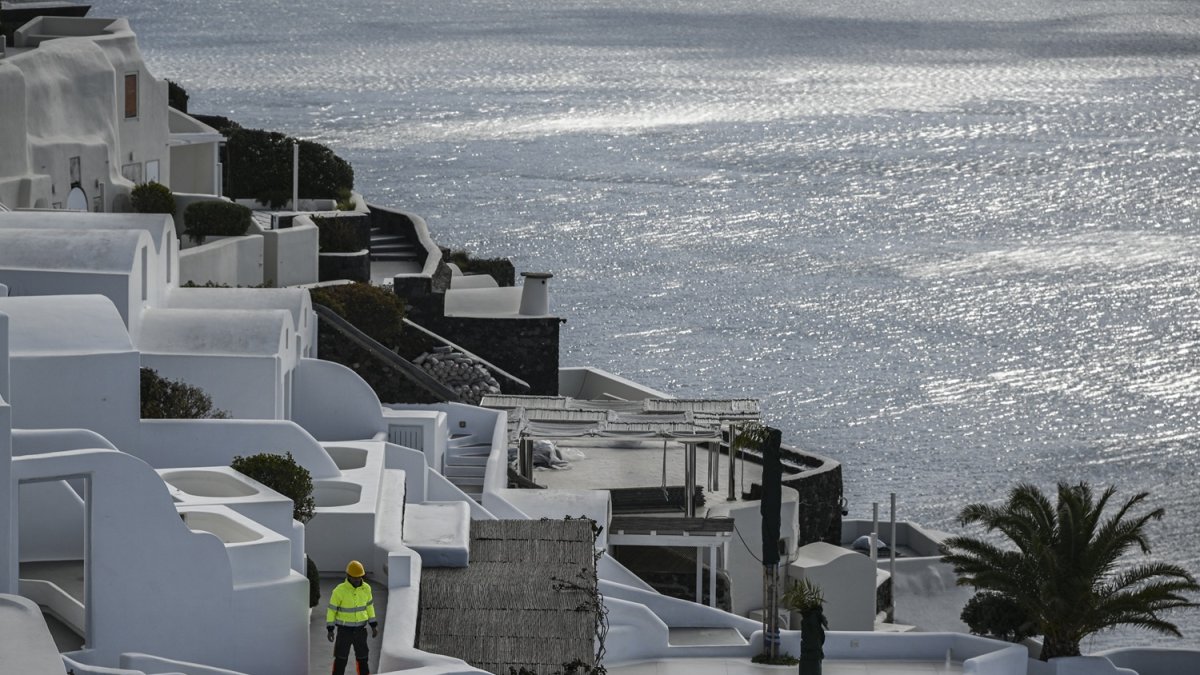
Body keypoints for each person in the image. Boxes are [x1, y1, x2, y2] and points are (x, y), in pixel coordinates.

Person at [327, 560, 379, 675]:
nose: (357, 580)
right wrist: (330, 629)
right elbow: (332, 610)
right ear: (348, 576)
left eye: (359, 577)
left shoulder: (366, 588)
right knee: (341, 659)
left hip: (361, 630)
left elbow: (369, 607)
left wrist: (373, 625)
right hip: (344, 631)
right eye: (354, 577)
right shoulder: (339, 590)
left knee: (363, 659)